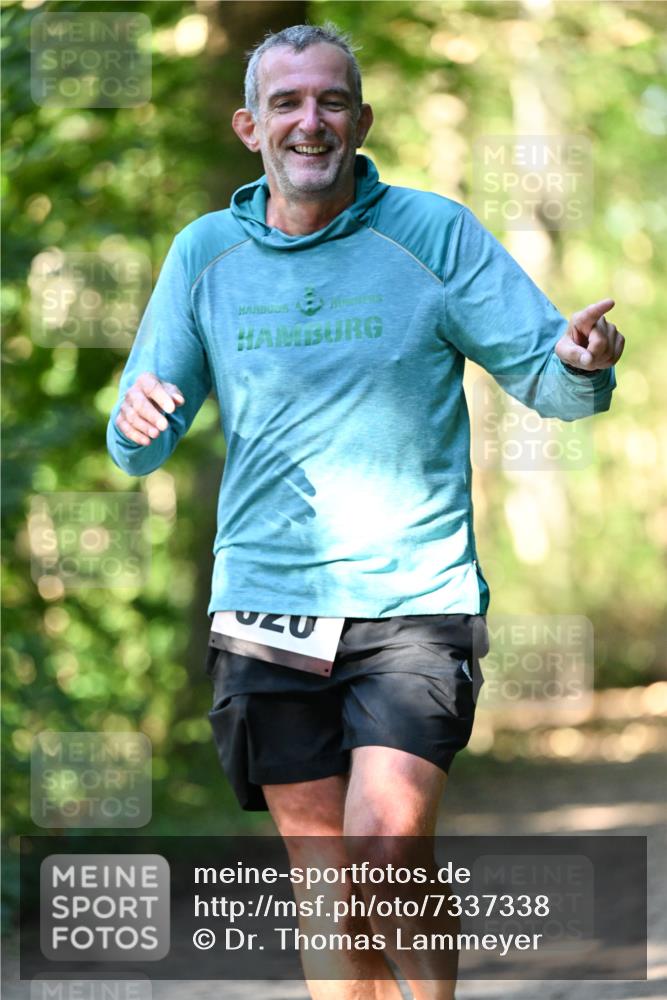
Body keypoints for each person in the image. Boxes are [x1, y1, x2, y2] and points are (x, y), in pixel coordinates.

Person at [106, 22, 624, 1000]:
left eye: (331, 100)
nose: (312, 120)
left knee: (385, 845)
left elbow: (543, 373)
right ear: (249, 124)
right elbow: (140, 435)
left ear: (361, 119)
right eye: (289, 103)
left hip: (411, 599)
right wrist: (133, 421)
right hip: (265, 598)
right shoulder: (205, 253)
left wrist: (577, 363)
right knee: (325, 877)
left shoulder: (430, 235)